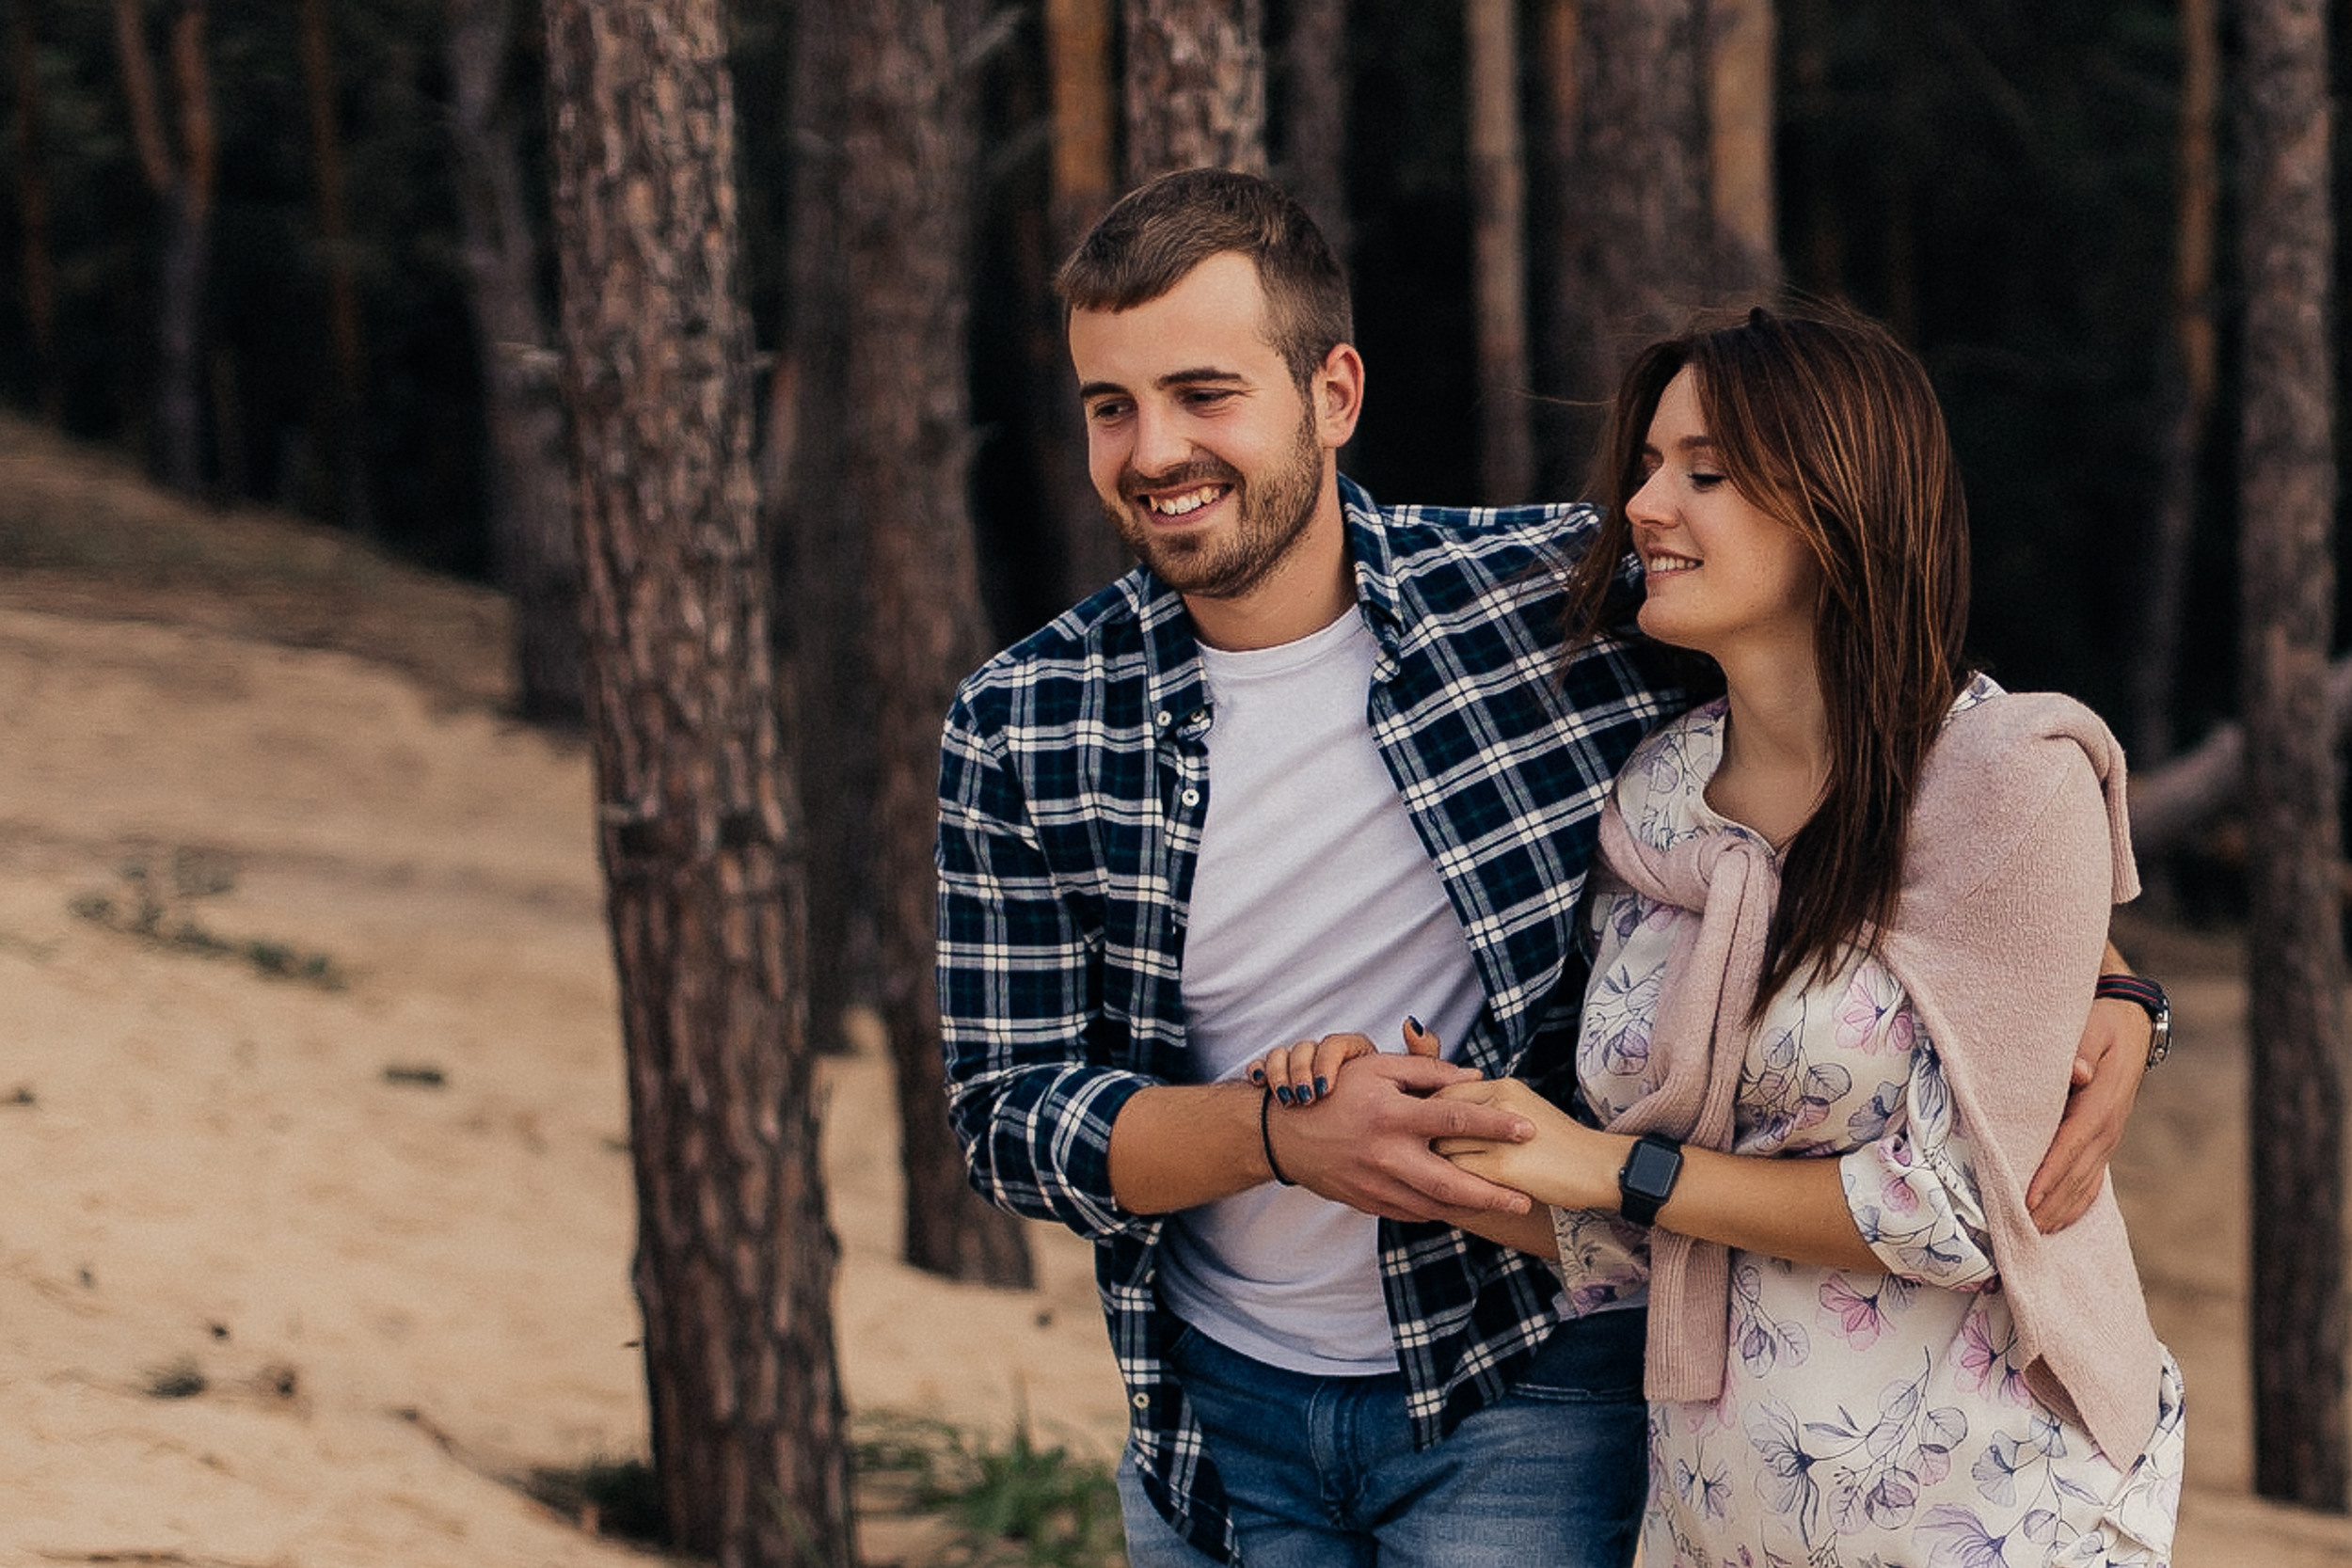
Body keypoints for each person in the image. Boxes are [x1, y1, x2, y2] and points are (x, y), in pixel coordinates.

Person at [935, 170, 2159, 1568]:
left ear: (1332, 394)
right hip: (1214, 1421)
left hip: (1527, 1392)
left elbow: (1906, 735)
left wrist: (2115, 984)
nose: (1154, 450)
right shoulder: (1023, 719)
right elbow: (1009, 1114)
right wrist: (1271, 1136)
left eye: (1203, 393)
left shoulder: (1548, 610)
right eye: (1110, 405)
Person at [1258, 307, 2183, 1565]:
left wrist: (1604, 1168)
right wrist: (1453, 1132)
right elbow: (1656, 1232)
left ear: (1835, 504)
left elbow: (1970, 1207)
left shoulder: (2008, 779)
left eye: (1704, 471)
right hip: (1723, 1509)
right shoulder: (1656, 802)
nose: (1642, 504)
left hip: (1994, 1501)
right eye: (1646, 466)